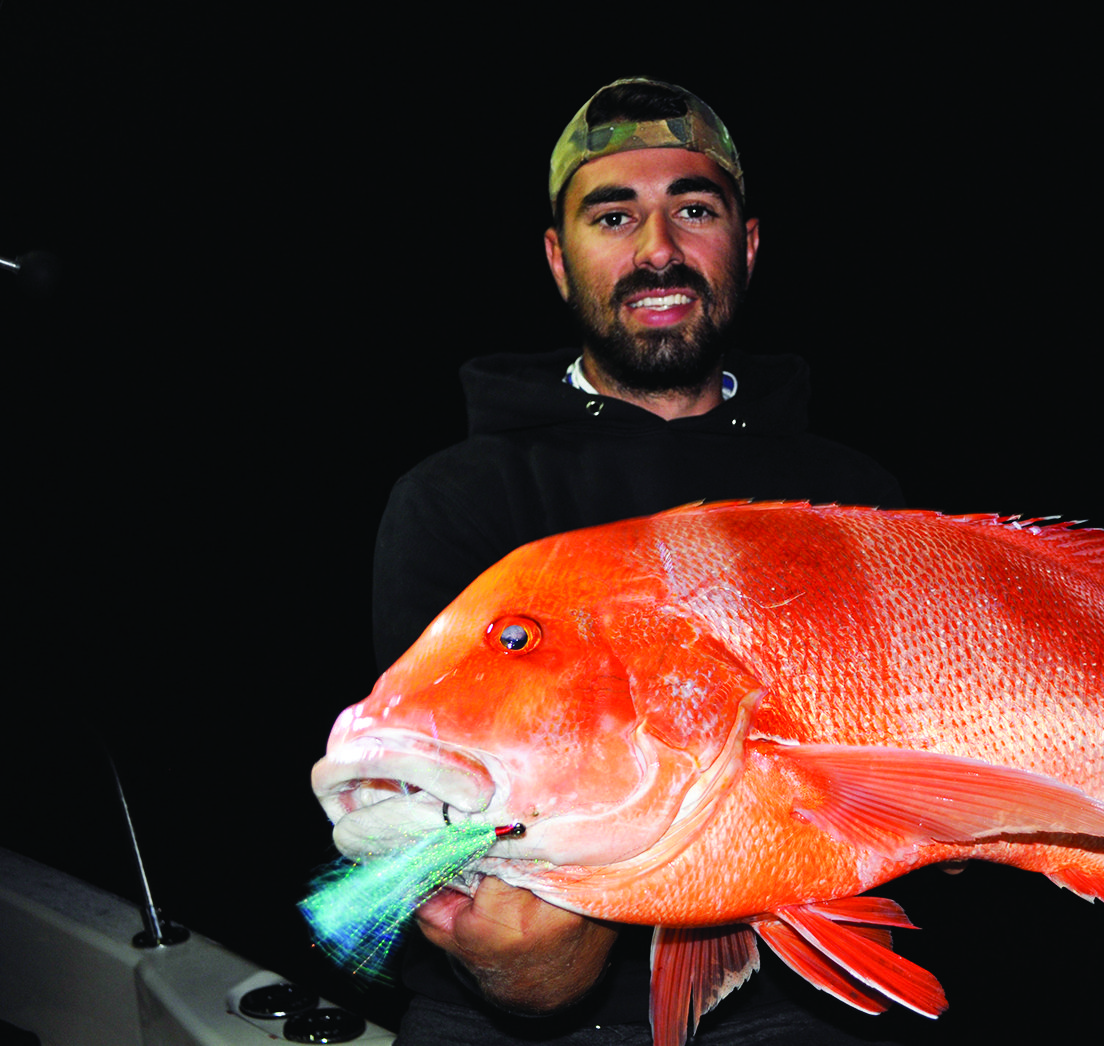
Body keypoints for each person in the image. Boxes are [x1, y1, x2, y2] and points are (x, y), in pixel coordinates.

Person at [373, 78, 905, 1044]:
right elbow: (434, 804)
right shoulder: (459, 497)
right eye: (612, 214)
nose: (656, 250)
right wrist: (528, 966)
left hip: (790, 996)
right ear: (557, 258)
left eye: (692, 209)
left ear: (743, 247)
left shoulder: (850, 492)